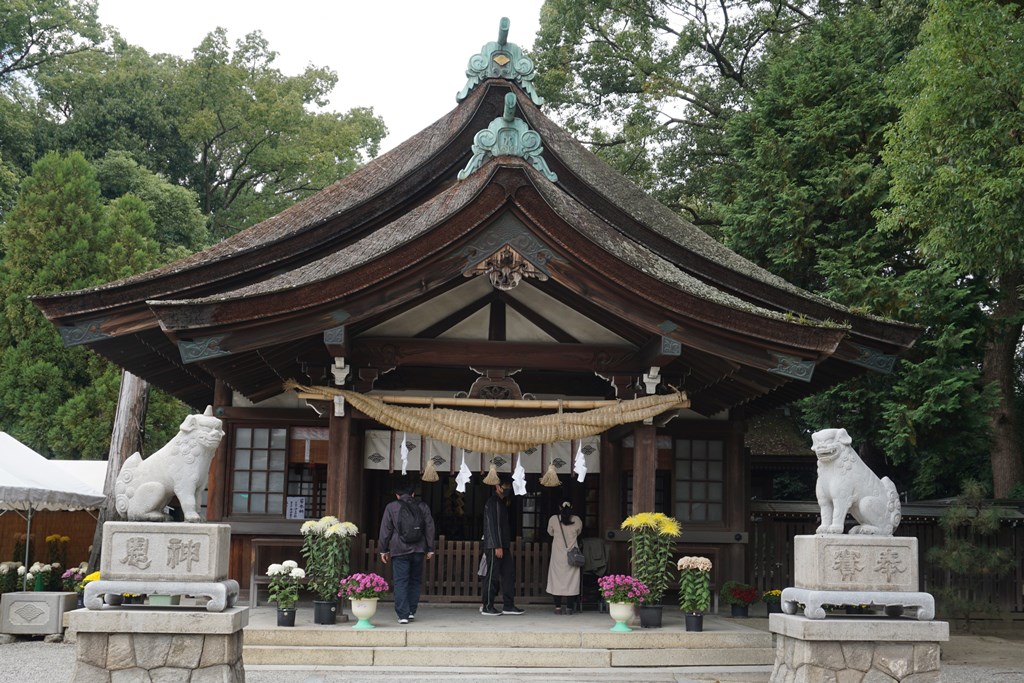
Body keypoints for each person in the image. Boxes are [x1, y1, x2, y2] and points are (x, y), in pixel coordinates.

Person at [378, 482, 435, 624]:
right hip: (418, 549)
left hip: (399, 549)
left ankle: (402, 615)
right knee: (415, 581)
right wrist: (430, 548)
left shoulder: (392, 507)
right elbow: (429, 527)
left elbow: (386, 530)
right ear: (413, 494)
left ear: (397, 495)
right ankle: (411, 611)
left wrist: (383, 549)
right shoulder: (422, 506)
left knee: (401, 581)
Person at [480, 474, 524, 616]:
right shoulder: (493, 502)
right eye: (506, 487)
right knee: (492, 576)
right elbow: (493, 526)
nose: (508, 489)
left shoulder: (501, 503)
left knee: (509, 574)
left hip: (503, 545)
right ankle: (487, 606)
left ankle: (508, 605)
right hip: (494, 546)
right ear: (497, 487)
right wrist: (497, 545)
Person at [546, 500, 583, 614]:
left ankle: (557, 607)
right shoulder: (577, 520)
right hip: (572, 555)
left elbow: (550, 532)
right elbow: (578, 533)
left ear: (559, 507)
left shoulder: (553, 519)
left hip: (558, 554)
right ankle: (569, 608)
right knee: (571, 581)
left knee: (556, 580)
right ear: (572, 507)